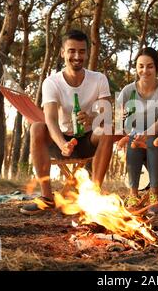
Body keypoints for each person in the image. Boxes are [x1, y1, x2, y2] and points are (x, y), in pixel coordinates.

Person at [20, 30, 114, 215]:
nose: (77, 56)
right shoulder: (52, 82)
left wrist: (92, 117)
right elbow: (51, 118)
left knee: (107, 129)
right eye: (72, 51)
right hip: (60, 140)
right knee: (38, 127)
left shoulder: (99, 79)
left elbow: (106, 114)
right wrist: (62, 143)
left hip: (88, 140)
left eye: (81, 51)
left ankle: (93, 195)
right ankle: (47, 197)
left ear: (87, 53)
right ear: (63, 52)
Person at [117, 47, 158, 214]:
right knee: (134, 140)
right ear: (136, 68)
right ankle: (133, 194)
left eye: (150, 66)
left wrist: (146, 133)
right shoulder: (128, 91)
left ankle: (154, 194)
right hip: (136, 138)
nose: (145, 70)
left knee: (152, 139)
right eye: (141, 66)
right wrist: (125, 129)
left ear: (157, 67)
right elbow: (119, 120)